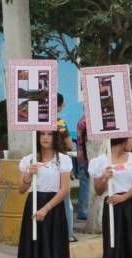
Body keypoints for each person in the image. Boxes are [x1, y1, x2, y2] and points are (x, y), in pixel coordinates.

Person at [9, 130, 76, 258]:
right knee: (33, 249)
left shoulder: (62, 160)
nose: (45, 138)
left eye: (49, 134)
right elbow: (21, 190)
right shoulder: (28, 160)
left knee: (53, 250)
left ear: (55, 138)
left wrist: (46, 209)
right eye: (42, 134)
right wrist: (29, 175)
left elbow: (64, 190)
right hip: (33, 205)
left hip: (53, 208)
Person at [56, 93, 77, 242]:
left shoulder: (39, 122)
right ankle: (68, 233)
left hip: (43, 163)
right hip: (60, 163)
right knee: (65, 202)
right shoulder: (60, 123)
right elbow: (69, 144)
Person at [75, 115, 90, 221]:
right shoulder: (90, 121)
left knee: (84, 183)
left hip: (82, 154)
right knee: (86, 183)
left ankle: (83, 211)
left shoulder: (82, 120)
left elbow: (79, 140)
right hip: (87, 154)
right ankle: (84, 211)